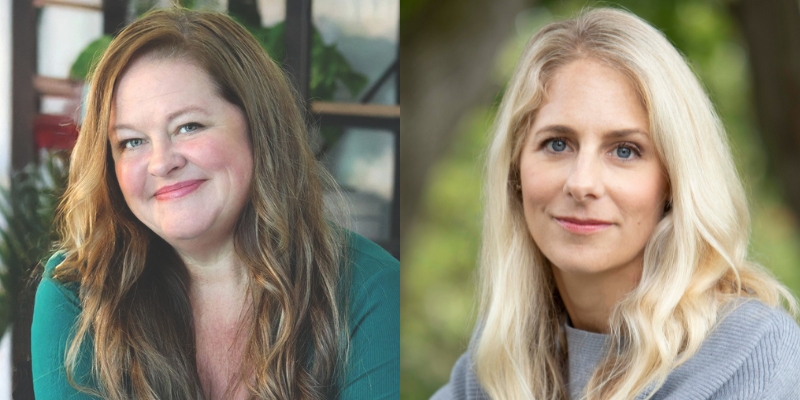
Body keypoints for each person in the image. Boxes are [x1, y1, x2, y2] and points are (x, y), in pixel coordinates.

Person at [31, 8, 399, 400]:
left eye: (189, 126)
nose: (161, 162)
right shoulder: (78, 291)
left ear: (259, 127)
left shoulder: (370, 289)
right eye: (131, 141)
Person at [433, 7, 800, 400]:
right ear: (515, 171)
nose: (582, 183)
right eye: (557, 143)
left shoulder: (752, 352)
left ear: (674, 182)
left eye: (625, 151)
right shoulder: (498, 358)